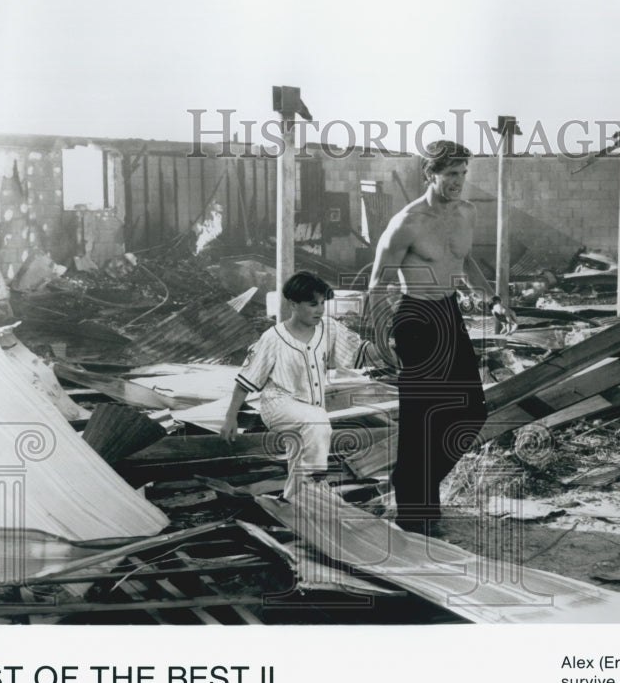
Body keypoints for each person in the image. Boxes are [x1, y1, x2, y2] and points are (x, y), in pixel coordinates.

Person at [367, 139, 513, 533]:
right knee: (422, 421)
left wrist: (494, 301)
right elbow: (377, 285)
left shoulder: (467, 213)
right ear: (430, 174)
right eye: (451, 174)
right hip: (415, 317)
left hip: (448, 314)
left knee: (470, 412)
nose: (459, 181)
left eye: (464, 173)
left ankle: (412, 485)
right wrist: (380, 338)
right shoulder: (407, 222)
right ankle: (417, 514)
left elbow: (466, 264)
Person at [220, 271, 375, 499]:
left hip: (309, 407)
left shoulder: (328, 328)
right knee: (318, 422)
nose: (320, 309)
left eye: (323, 303)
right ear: (293, 304)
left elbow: (360, 351)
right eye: (313, 304)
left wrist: (397, 345)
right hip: (278, 404)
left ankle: (293, 501)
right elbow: (247, 379)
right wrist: (230, 416)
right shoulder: (273, 338)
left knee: (302, 449)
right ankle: (316, 491)